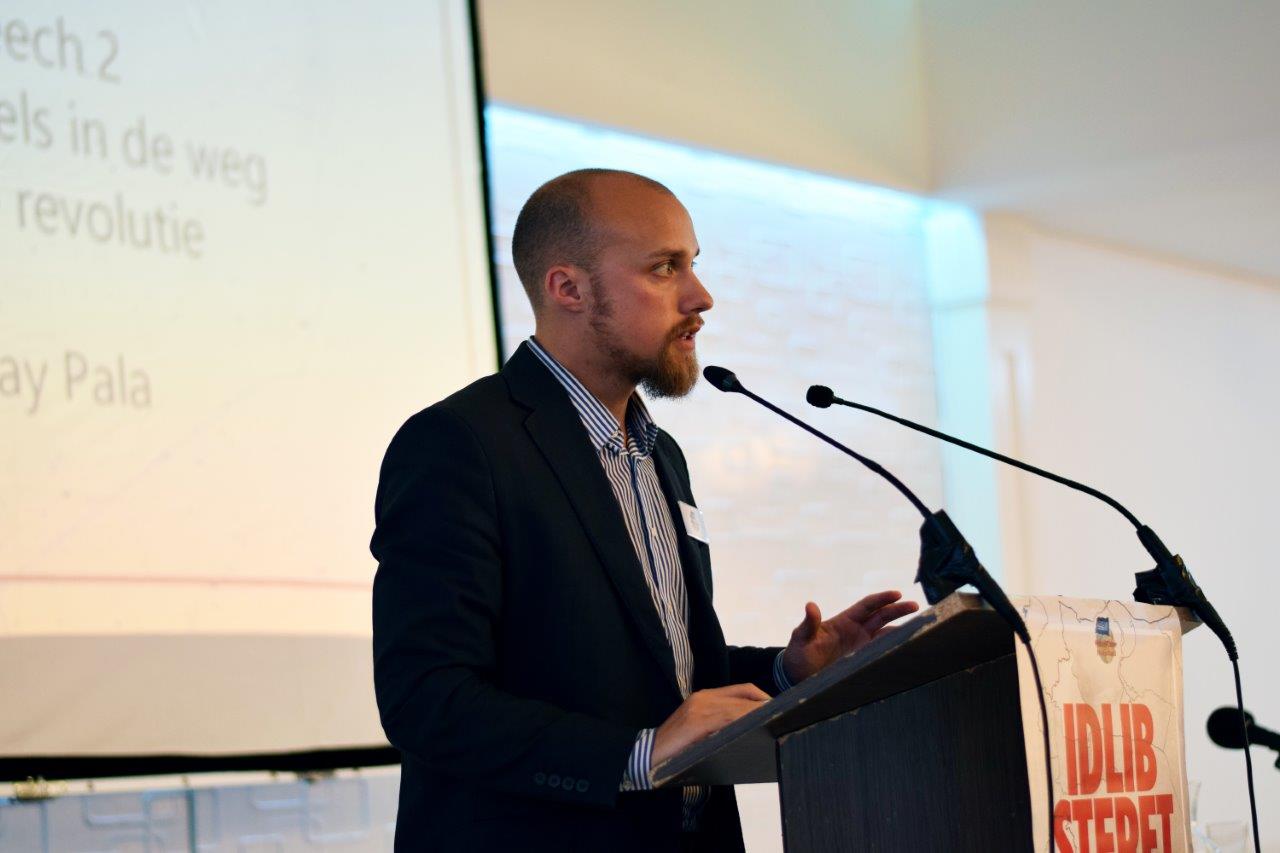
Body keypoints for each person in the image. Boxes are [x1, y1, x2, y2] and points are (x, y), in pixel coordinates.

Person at [370, 169, 918, 852]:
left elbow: (665, 672)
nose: (701, 297)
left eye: (693, 264)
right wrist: (638, 754)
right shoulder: (460, 444)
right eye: (665, 268)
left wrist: (787, 671)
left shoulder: (661, 454)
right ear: (568, 288)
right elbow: (425, 698)